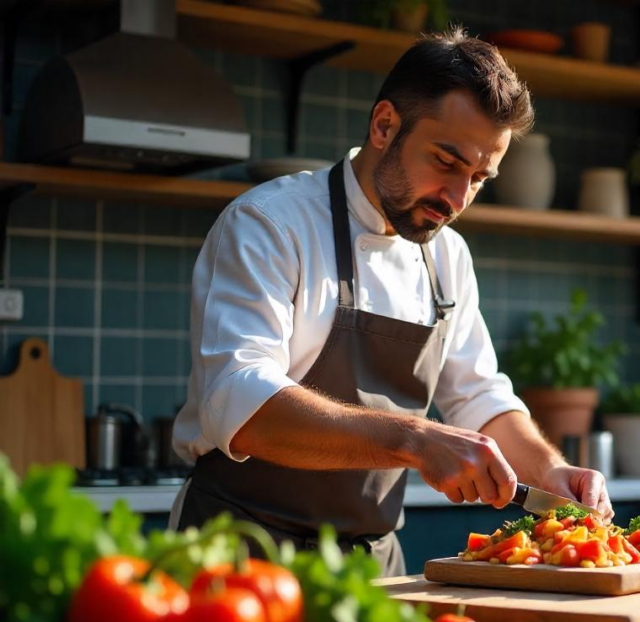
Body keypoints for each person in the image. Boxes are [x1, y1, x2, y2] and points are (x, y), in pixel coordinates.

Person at [168, 27, 613, 576]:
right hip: (237, 555)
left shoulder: (447, 256)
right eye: (447, 162)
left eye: (478, 178)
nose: (457, 199)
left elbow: (479, 399)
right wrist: (414, 439)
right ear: (384, 125)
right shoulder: (269, 224)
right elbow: (241, 404)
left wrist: (551, 472)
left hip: (372, 569)